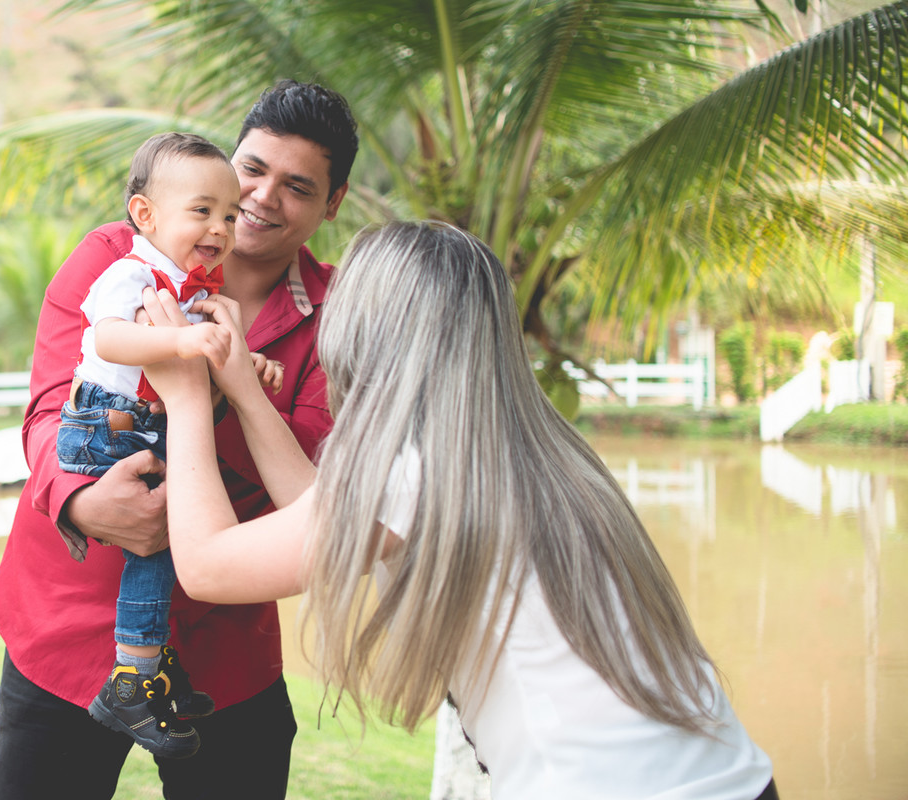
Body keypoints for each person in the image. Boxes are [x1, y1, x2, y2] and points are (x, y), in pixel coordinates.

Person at [142, 220, 779, 800]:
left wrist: (186, 396)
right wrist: (246, 394)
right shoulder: (527, 447)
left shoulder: (412, 472)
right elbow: (321, 508)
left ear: (368, 330)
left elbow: (207, 566)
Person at [0, 80, 358, 799]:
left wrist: (219, 387)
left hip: (223, 649)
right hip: (69, 625)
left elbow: (309, 469)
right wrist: (78, 502)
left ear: (331, 203)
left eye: (298, 186)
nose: (259, 198)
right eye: (252, 168)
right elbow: (47, 409)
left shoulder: (339, 315)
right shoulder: (114, 259)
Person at [54, 131, 281, 759]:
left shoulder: (191, 287)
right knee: (160, 542)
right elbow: (110, 341)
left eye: (228, 216)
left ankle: (155, 662)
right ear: (145, 216)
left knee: (180, 538)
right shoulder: (132, 271)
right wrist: (182, 344)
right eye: (202, 211)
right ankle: (133, 678)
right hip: (104, 426)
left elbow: (211, 359)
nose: (220, 227)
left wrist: (248, 364)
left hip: (142, 424)